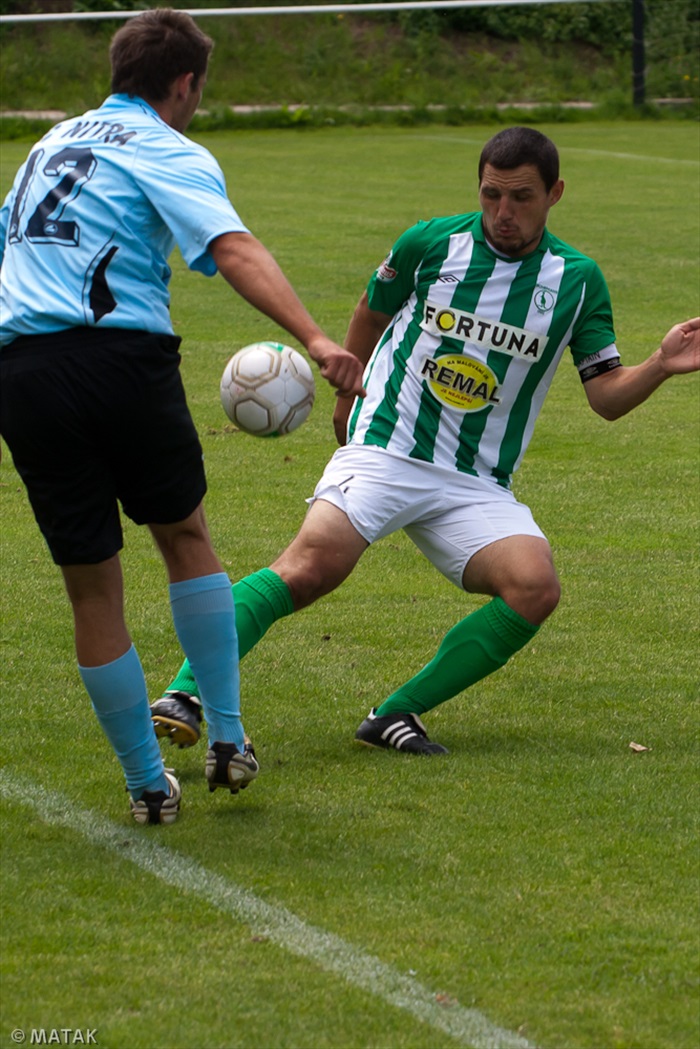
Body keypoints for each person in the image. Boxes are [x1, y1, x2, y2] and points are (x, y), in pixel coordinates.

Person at [151, 125, 700, 757]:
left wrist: (660, 365)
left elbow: (604, 397)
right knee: (310, 568)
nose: (504, 213)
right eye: (492, 194)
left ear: (555, 194)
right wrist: (346, 393)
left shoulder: (576, 282)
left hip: (475, 482)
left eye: (522, 197)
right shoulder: (431, 243)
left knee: (534, 587)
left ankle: (395, 714)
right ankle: (187, 693)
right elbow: (371, 309)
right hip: (389, 445)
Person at [0, 8, 364, 824]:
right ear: (184, 83)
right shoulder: (167, 146)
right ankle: (228, 737)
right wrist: (312, 337)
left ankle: (143, 786)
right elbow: (230, 246)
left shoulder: (47, 142)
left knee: (91, 589)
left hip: (22, 370)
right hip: (119, 357)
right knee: (185, 537)